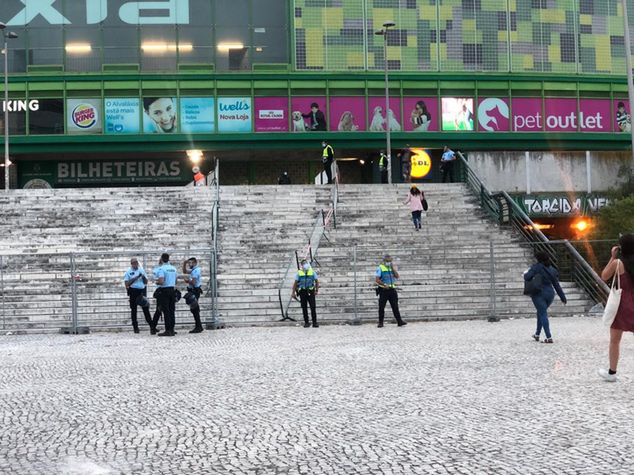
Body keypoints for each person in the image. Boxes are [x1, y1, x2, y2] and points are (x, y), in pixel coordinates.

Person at [598, 234, 634, 382]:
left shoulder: (618, 263)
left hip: (622, 305)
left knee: (615, 340)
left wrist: (612, 257)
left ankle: (612, 373)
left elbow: (604, 276)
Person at [523, 251, 567, 344]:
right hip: (550, 294)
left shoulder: (536, 267)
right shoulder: (552, 270)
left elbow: (527, 277)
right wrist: (563, 298)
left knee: (542, 314)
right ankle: (537, 334)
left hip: (538, 293)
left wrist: (528, 271)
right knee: (540, 312)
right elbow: (556, 285)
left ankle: (549, 337)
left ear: (538, 259)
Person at [123, 258, 156, 334]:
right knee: (134, 310)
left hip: (141, 291)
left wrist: (143, 276)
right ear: (131, 264)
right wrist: (136, 277)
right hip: (133, 291)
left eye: (136, 263)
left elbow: (146, 282)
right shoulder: (128, 272)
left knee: (145, 309)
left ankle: (152, 326)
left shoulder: (141, 270)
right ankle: (135, 327)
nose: (135, 264)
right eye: (134, 263)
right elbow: (127, 284)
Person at [375, 255, 407, 328]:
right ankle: (380, 322)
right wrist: (384, 284)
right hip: (383, 290)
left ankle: (399, 321)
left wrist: (392, 268)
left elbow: (397, 276)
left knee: (395, 306)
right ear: (384, 261)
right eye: (387, 261)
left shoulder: (391, 268)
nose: (388, 262)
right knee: (381, 307)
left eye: (390, 261)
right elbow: (377, 280)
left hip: (392, 290)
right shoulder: (380, 268)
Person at [154, 253, 178, 337]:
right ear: (168, 259)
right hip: (172, 289)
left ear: (161, 259)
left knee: (166, 311)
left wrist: (156, 282)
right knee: (172, 310)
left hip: (164, 290)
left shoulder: (161, 269)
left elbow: (161, 281)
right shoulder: (173, 268)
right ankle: (172, 329)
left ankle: (168, 330)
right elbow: (175, 281)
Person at [291, 259, 320, 328]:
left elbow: (317, 281)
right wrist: (293, 293)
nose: (304, 265)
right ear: (301, 265)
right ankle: (306, 322)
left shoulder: (312, 272)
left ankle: (314, 322)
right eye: (303, 264)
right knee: (304, 307)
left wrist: (316, 290)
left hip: (310, 291)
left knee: (313, 307)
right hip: (302, 292)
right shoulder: (299, 272)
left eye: (305, 263)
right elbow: (295, 283)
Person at [182, 257, 204, 334]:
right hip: (193, 290)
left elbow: (193, 282)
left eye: (191, 263)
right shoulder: (193, 270)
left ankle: (198, 326)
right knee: (194, 309)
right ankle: (198, 325)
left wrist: (187, 280)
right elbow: (185, 271)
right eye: (189, 263)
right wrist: (184, 264)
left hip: (195, 291)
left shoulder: (196, 270)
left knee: (195, 309)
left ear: (195, 263)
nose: (190, 264)